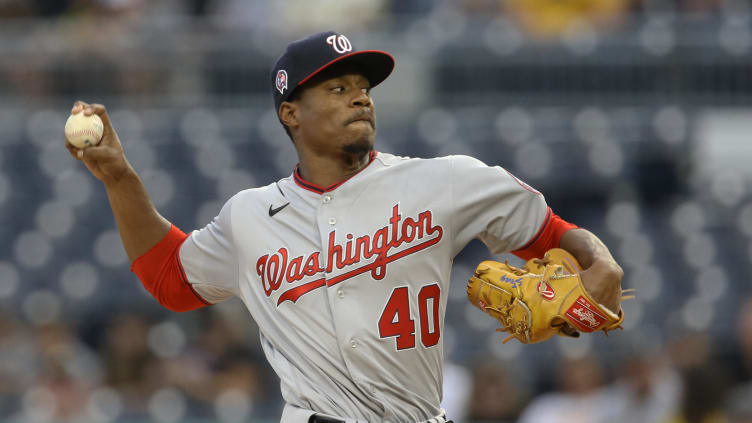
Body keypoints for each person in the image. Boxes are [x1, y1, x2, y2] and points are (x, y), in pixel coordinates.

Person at [64, 30, 624, 423]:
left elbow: (550, 231)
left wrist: (601, 263)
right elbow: (171, 280)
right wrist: (120, 179)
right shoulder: (250, 216)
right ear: (291, 113)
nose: (360, 96)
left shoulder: (445, 181)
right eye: (336, 88)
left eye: (363, 86)